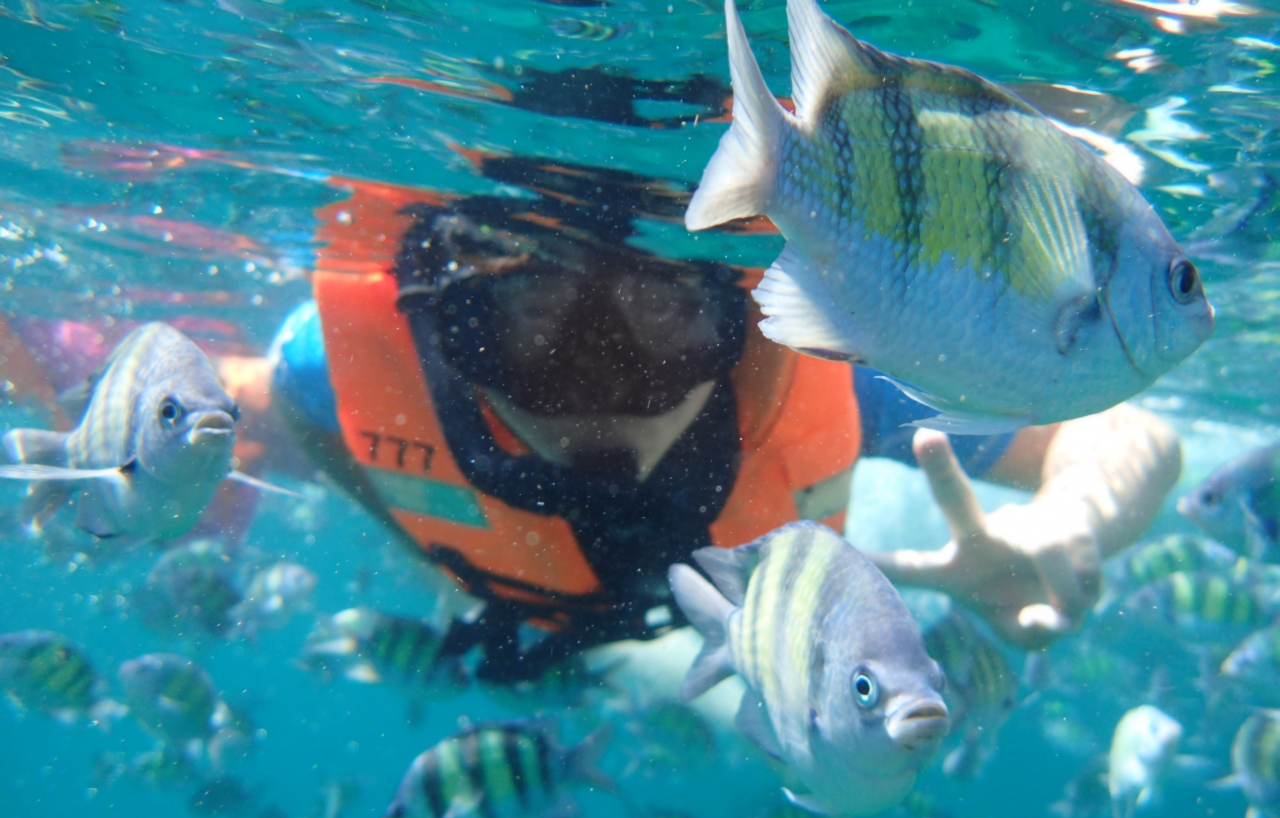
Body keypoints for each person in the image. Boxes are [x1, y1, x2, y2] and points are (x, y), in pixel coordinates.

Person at [256, 154, 1181, 683]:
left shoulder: (819, 368)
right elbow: (289, 395)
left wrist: (1074, 520)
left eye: (661, 313)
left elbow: (1125, 436)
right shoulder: (336, 361)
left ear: (735, 320)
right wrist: (413, 537)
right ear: (441, 312)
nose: (591, 385)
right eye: (525, 309)